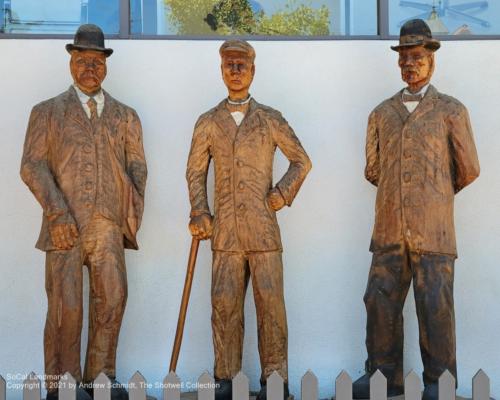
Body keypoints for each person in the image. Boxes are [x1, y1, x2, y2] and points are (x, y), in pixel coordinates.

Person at [352, 19, 480, 400]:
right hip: (389, 229)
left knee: (435, 307)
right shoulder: (380, 113)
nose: (410, 63)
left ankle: (440, 383)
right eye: (404, 57)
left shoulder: (451, 110)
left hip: (434, 231)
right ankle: (382, 376)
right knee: (379, 301)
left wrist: (433, 193)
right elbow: (373, 169)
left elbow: (468, 168)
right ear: (398, 63)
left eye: (418, 56)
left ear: (432, 60)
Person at [20, 24, 147, 400]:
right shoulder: (47, 112)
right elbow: (32, 166)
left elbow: (138, 166)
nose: (89, 67)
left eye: (96, 60)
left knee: (113, 297)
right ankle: (64, 385)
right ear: (71, 62)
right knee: (66, 306)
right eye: (82, 60)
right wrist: (57, 214)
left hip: (107, 226)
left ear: (105, 64)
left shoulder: (126, 116)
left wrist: (129, 212)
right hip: (65, 225)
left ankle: (102, 378)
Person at [186, 39, 311, 400]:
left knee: (271, 307)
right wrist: (199, 210)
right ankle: (226, 379)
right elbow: (194, 172)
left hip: (263, 231)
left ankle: (275, 381)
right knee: (224, 306)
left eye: (242, 65)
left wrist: (282, 193)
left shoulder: (270, 119)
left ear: (253, 70)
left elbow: (301, 160)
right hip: (224, 232)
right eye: (229, 65)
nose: (236, 71)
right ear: (221, 70)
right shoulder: (208, 122)